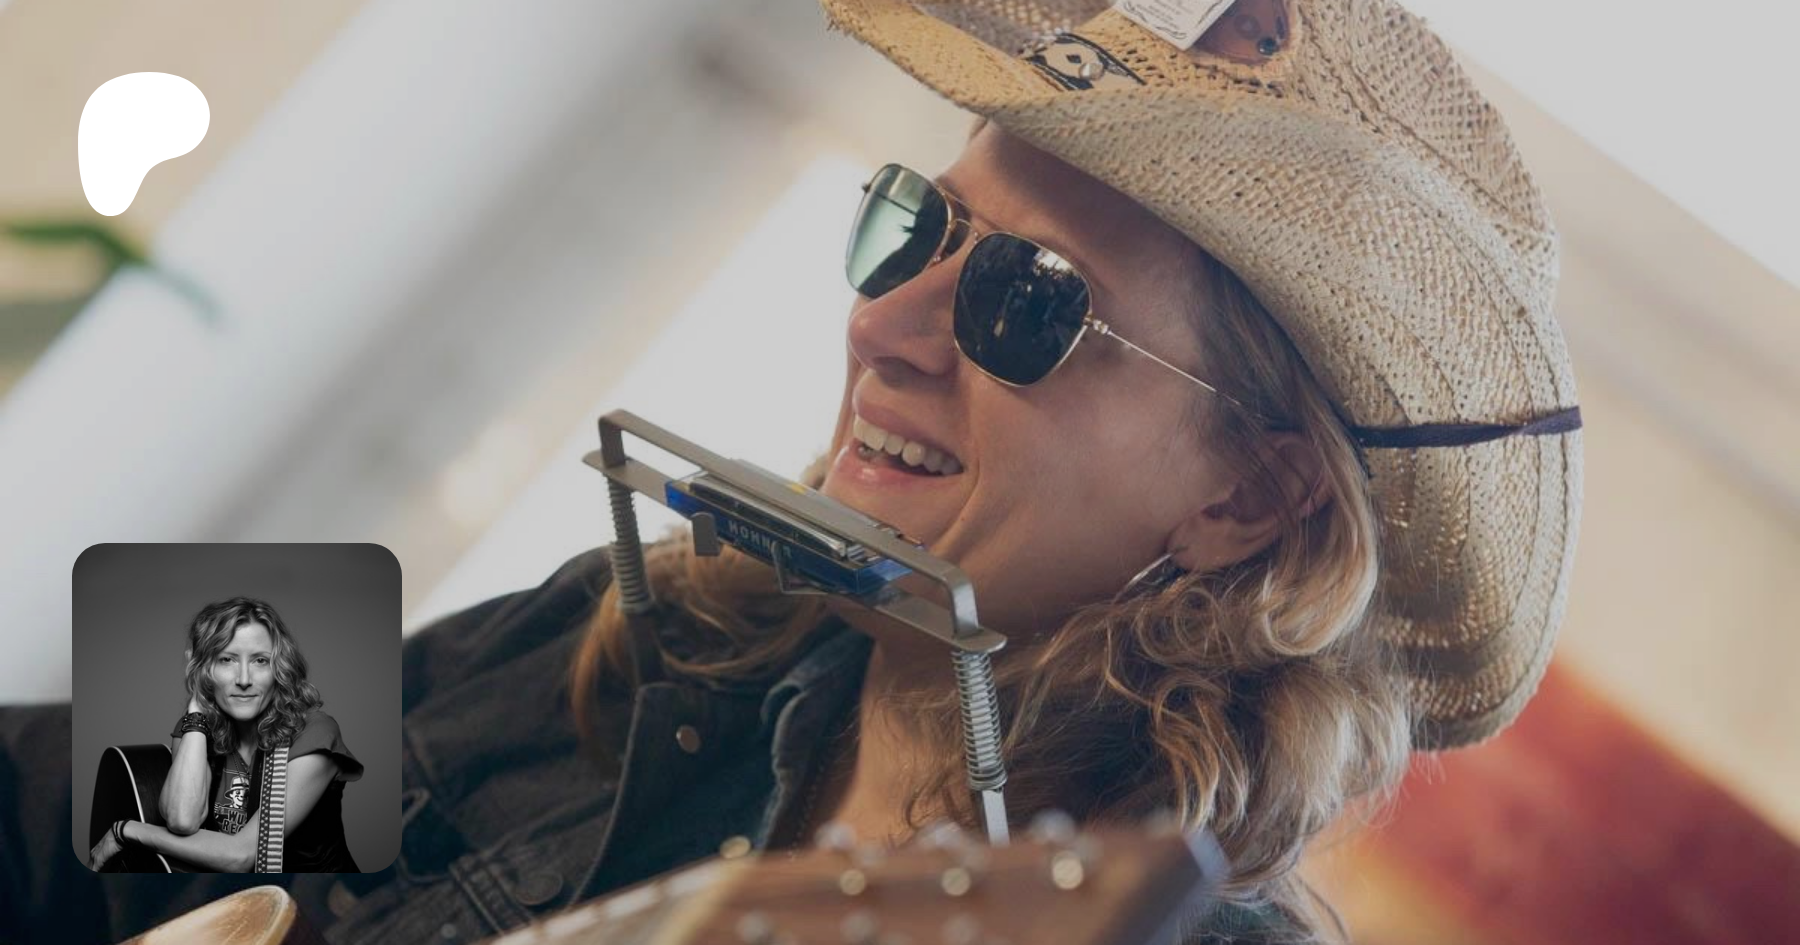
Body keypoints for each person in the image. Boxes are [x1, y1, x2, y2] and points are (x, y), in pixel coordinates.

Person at [0, 0, 1581, 942]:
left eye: (1023, 301)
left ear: (1250, 496)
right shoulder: (660, 616)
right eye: (914, 225)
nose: (881, 321)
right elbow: (68, 797)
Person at [86, 597, 364, 873]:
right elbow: (182, 820)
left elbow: (243, 856)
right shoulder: (195, 728)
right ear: (203, 668)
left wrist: (127, 831)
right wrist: (196, 708)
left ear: (279, 668)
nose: (243, 679)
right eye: (226, 660)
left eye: (260, 661)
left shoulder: (314, 731)